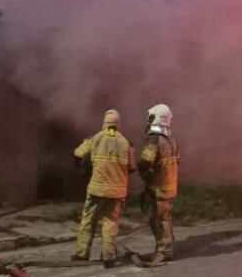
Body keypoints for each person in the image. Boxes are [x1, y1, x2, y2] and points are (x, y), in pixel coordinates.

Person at [72, 109, 135, 268]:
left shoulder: (95, 138)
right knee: (111, 222)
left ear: (104, 122)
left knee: (89, 220)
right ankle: (108, 257)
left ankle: (81, 255)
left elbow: (77, 154)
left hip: (96, 189)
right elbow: (132, 167)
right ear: (118, 124)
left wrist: (84, 169)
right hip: (117, 191)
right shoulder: (126, 142)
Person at [136, 104, 180, 268]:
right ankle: (168, 245)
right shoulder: (172, 139)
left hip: (158, 187)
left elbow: (145, 162)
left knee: (158, 219)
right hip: (170, 185)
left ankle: (165, 250)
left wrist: (145, 175)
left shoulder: (155, 139)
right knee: (165, 217)